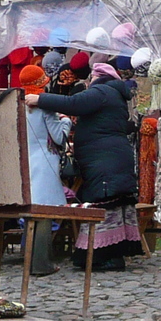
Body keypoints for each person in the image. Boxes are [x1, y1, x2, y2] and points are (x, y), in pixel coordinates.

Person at [31, 62, 142, 271]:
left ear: (97, 77)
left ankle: (105, 257)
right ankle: (109, 256)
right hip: (110, 159)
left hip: (105, 162)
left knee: (104, 206)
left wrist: (40, 99)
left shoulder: (102, 91)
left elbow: (73, 103)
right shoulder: (114, 94)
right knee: (114, 207)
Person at [16, 65, 69, 275]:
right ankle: (41, 263)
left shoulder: (18, 105)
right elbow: (58, 137)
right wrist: (65, 122)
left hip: (25, 160)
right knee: (45, 213)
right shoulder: (45, 106)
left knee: (30, 213)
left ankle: (27, 259)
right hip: (45, 160)